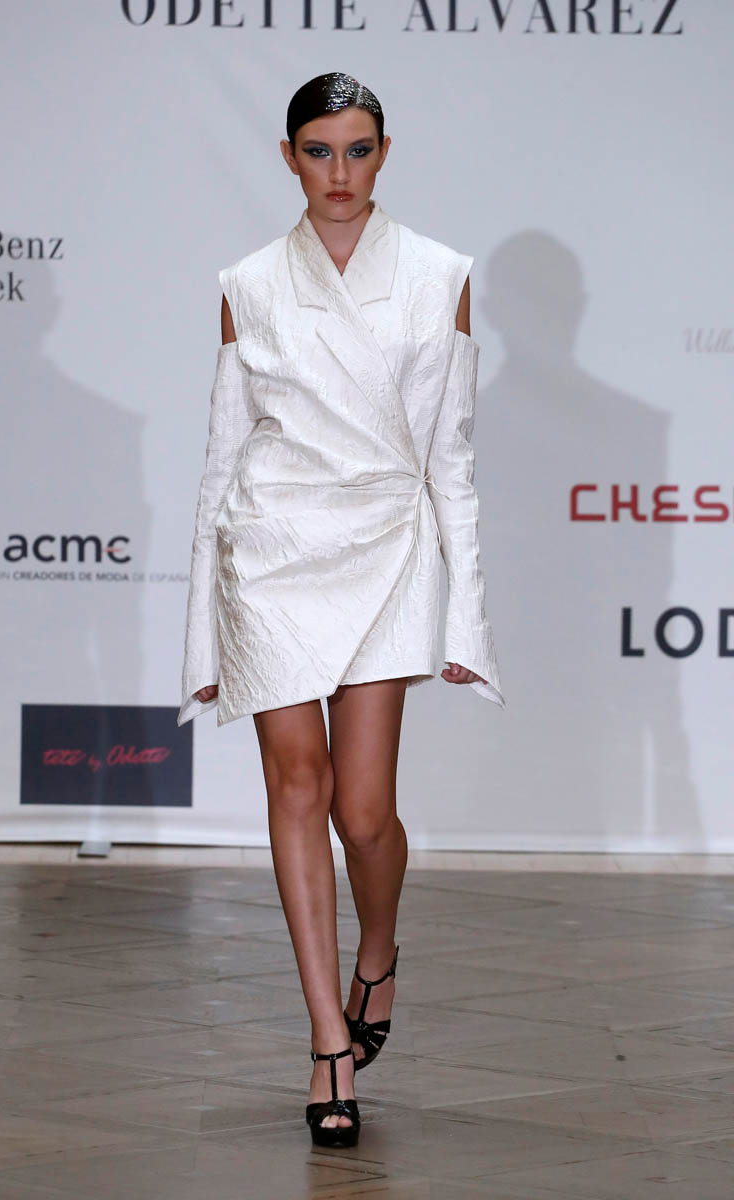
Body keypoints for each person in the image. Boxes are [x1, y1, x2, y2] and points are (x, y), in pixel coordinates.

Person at [178, 72, 505, 1149]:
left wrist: (467, 621)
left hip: (386, 544)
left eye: (357, 150)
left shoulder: (440, 276)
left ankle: (378, 950)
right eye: (318, 151)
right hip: (271, 553)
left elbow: (452, 460)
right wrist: (201, 634)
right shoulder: (248, 283)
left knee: (364, 815)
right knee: (298, 786)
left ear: (384, 152)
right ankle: (326, 1037)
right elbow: (222, 460)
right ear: (288, 157)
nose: (339, 173)